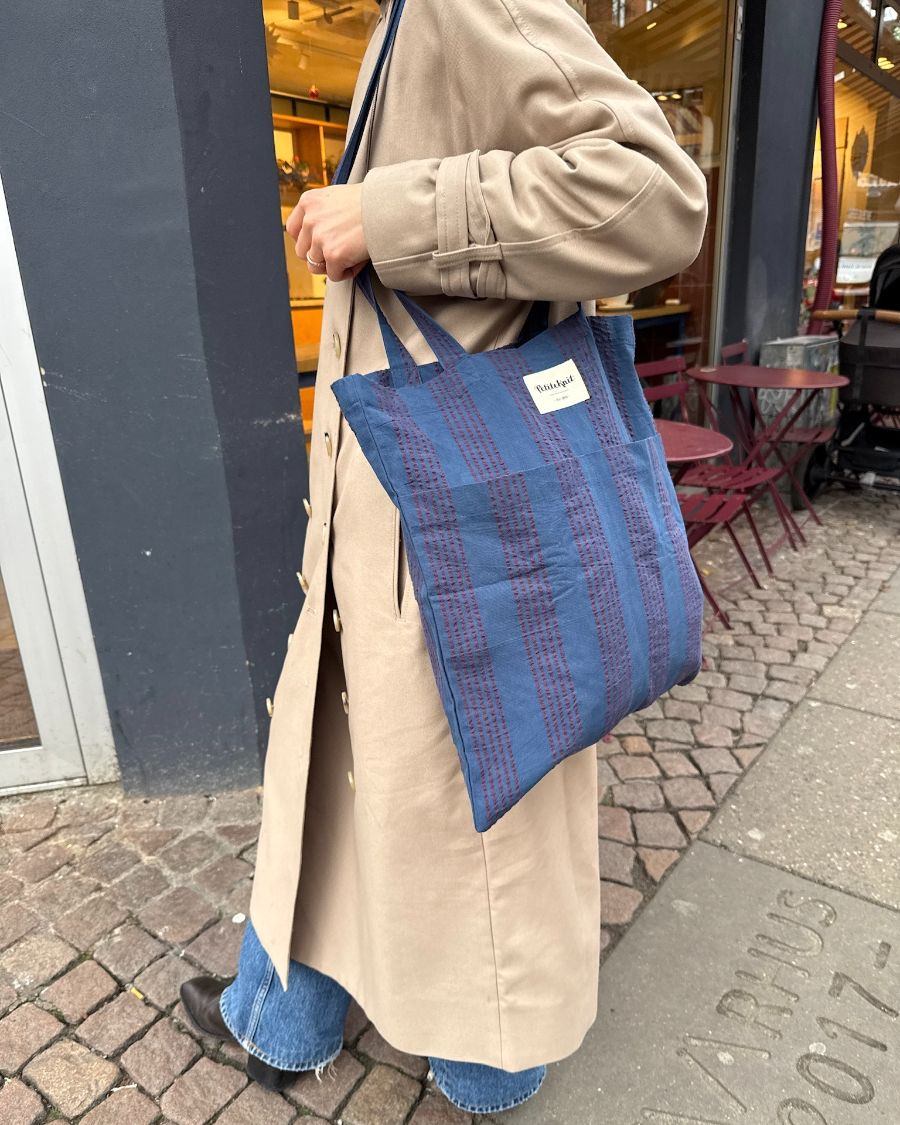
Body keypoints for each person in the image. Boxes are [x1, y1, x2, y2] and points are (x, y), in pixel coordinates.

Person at [181, 0, 708, 1113]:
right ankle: (284, 1015)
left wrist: (389, 212)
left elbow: (657, 195)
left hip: (455, 514)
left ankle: (482, 1063)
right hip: (395, 500)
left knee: (464, 779)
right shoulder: (405, 17)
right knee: (348, 759)